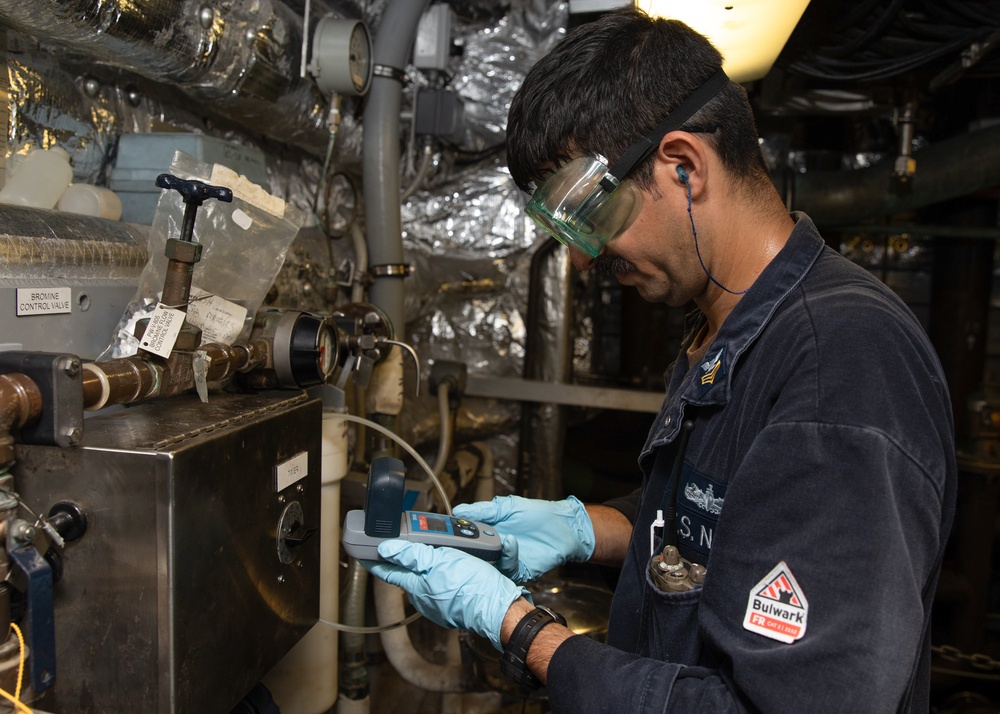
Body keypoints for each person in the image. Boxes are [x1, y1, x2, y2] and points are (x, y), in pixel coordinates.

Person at [364, 6, 957, 712]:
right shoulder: (727, 327)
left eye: (592, 215)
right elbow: (735, 520)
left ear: (683, 165)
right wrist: (587, 529)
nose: (587, 258)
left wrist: (521, 630)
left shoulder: (844, 369)